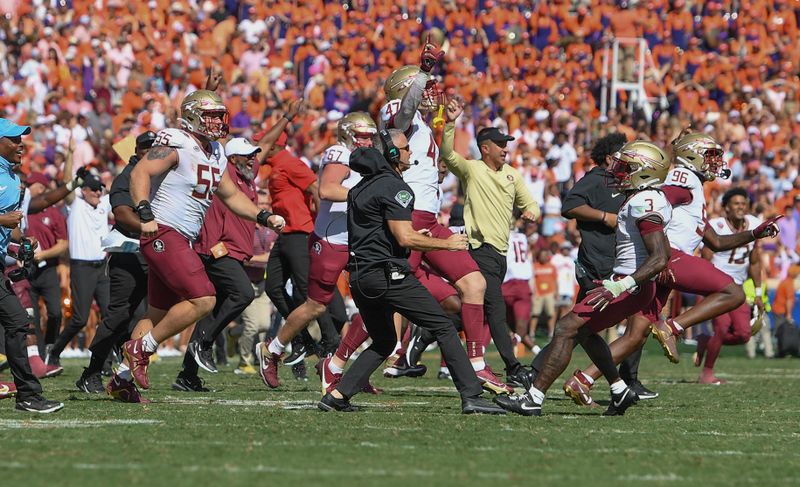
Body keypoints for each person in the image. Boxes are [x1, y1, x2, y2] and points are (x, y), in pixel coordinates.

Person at [570, 133, 781, 405]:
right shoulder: (685, 178)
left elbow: (715, 242)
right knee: (733, 292)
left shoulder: (693, 191)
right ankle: (674, 326)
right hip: (669, 258)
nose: (715, 162)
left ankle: (583, 380)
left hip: (665, 259)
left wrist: (754, 233)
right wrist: (660, 253)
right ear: (692, 156)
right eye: (710, 156)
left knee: (636, 335)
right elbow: (659, 202)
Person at [108, 90, 284, 402]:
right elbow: (140, 172)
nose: (217, 120)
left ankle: (122, 378)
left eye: (220, 114)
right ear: (192, 115)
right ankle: (140, 348)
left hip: (180, 236)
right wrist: (145, 210)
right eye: (211, 114)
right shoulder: (178, 142)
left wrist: (263, 216)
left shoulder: (215, 152)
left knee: (157, 314)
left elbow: (229, 195)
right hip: (164, 232)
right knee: (204, 299)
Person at [318, 128, 503, 415]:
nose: (410, 153)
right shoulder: (397, 188)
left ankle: (338, 395)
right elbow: (405, 238)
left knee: (384, 341)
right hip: (387, 275)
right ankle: (472, 395)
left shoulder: (359, 188)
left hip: (359, 276)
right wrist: (446, 243)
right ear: (391, 154)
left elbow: (380, 233)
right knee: (444, 325)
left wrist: (417, 236)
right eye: (405, 149)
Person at [495, 141, 672, 417]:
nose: (620, 172)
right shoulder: (644, 198)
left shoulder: (643, 201)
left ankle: (533, 398)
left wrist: (620, 285)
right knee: (585, 332)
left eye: (627, 167)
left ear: (644, 171)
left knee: (566, 328)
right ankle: (620, 391)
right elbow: (663, 249)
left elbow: (659, 256)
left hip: (627, 285)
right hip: (625, 281)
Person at [380, 42, 499, 389]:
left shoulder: (422, 123)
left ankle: (476, 363)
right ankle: (341, 359)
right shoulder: (398, 112)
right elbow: (400, 117)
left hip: (430, 218)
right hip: (410, 215)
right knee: (390, 292)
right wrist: (424, 72)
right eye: (424, 88)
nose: (432, 93)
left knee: (475, 283)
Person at [256, 112, 376, 391]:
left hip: (356, 241)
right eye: (362, 136)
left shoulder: (369, 160)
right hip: (331, 240)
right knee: (316, 304)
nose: (367, 141)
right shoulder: (339, 152)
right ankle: (273, 349)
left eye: (370, 136)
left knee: (376, 302)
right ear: (347, 134)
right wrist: (368, 195)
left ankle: (343, 367)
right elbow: (327, 188)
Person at [76, 131, 155, 393]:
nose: (152, 153)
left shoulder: (160, 175)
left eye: (156, 149)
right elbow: (121, 214)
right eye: (147, 149)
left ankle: (125, 371)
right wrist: (150, 228)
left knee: (153, 312)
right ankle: (92, 372)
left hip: (154, 251)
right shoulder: (127, 177)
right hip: (129, 253)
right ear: (138, 151)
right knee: (118, 316)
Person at [0, 117, 63, 413]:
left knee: (16, 322)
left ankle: (27, 395)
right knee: (16, 322)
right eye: (13, 140)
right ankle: (28, 394)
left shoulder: (12, 178)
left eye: (21, 139)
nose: (20, 146)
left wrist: (21, 240)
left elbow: (8, 229)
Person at [46, 156, 111, 368]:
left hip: (102, 266)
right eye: (93, 189)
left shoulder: (104, 203)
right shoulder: (75, 204)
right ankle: (55, 350)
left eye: (100, 189)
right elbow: (67, 184)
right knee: (80, 319)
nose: (98, 193)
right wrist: (70, 153)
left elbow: (123, 187)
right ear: (83, 190)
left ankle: (105, 361)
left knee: (110, 315)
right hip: (81, 267)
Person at [697, 188, 764, 384]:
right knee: (722, 326)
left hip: (738, 288)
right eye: (736, 203)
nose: (740, 207)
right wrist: (705, 290)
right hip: (717, 287)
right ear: (726, 208)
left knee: (744, 334)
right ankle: (707, 372)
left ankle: (704, 342)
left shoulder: (753, 224)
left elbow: (754, 262)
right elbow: (706, 261)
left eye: (743, 203)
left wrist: (758, 293)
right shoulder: (717, 226)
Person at [233, 189, 277, 374]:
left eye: (268, 205)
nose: (266, 209)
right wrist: (266, 257)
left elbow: (269, 256)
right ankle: (244, 362)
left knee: (265, 325)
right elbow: (243, 257)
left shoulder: (271, 230)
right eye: (262, 206)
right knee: (252, 327)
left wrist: (259, 258)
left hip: (263, 282)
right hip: (247, 281)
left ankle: (233, 333)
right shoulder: (245, 227)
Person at [502, 224, 534, 352]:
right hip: (522, 282)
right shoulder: (522, 237)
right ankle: (514, 341)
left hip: (505, 282)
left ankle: (537, 351)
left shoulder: (503, 236)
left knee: (504, 321)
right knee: (521, 326)